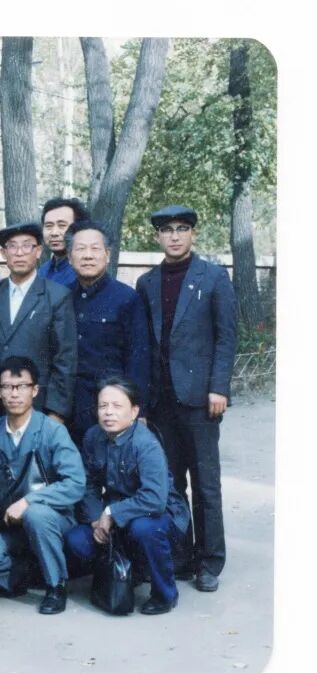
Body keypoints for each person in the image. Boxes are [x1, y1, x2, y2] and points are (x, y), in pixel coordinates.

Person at [135, 204, 237, 593]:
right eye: (167, 230)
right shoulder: (147, 282)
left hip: (199, 398)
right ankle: (179, 556)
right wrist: (142, 403)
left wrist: (219, 387)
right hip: (161, 400)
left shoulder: (213, 277)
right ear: (157, 236)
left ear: (193, 233)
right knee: (170, 483)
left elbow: (226, 336)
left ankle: (209, 561)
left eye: (181, 229)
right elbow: (145, 344)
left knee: (206, 484)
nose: (174, 236)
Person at [64, 377, 191, 615]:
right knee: (77, 540)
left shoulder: (145, 444)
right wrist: (95, 519)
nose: (108, 412)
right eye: (103, 406)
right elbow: (88, 485)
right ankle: (125, 573)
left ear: (134, 412)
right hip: (118, 512)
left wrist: (111, 513)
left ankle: (165, 594)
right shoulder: (93, 436)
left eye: (117, 406)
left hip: (161, 515)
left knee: (143, 529)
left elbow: (155, 498)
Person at [0, 356, 85, 615]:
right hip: (10, 523)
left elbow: (75, 483)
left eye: (21, 386)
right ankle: (30, 575)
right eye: (7, 387)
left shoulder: (52, 430)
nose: (14, 393)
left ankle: (56, 586)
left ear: (34, 390)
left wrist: (28, 501)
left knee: (37, 514)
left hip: (52, 519)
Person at [0, 222, 77, 426]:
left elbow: (65, 358)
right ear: (4, 253)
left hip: (39, 405)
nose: (19, 253)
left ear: (38, 251)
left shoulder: (57, 296)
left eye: (27, 246)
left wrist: (56, 412)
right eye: (12, 246)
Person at [65, 220, 150, 445]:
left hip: (109, 408)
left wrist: (138, 409)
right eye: (80, 249)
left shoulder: (127, 299)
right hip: (67, 407)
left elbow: (138, 359)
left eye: (95, 248)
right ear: (70, 257)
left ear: (107, 255)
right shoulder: (62, 297)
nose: (88, 256)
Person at [37, 197, 89, 286]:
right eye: (49, 226)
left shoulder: (86, 272)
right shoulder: (42, 271)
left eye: (62, 225)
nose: (54, 233)